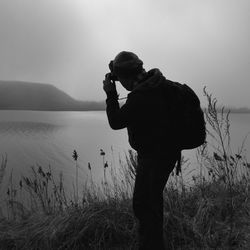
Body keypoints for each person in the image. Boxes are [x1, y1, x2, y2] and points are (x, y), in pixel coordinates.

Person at [103, 51, 180, 250]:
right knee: (152, 202)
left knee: (144, 205)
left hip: (154, 157)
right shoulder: (156, 83)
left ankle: (150, 245)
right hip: (167, 153)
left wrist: (111, 94)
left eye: (120, 79)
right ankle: (154, 243)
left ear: (126, 77)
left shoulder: (141, 96)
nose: (120, 83)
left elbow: (116, 121)